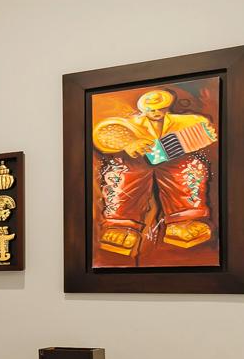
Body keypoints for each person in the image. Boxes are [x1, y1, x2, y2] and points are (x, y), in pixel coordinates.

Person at [91, 88, 216, 257]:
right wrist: (129, 144)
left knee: (188, 168)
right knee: (124, 172)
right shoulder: (131, 124)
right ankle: (121, 224)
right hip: (137, 162)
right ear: (143, 109)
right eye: (151, 109)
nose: (156, 112)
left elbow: (201, 125)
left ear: (167, 107)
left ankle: (185, 220)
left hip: (174, 161)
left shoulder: (186, 121)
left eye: (160, 108)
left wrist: (207, 131)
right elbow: (102, 135)